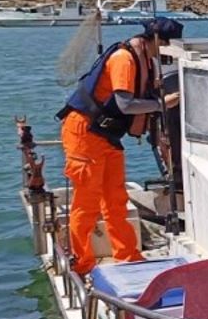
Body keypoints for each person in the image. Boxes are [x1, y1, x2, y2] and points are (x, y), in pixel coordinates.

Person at [57, 17, 183, 275]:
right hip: (84, 133)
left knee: (116, 199)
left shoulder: (145, 59)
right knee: (87, 203)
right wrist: (164, 103)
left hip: (108, 136)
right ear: (157, 41)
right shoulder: (124, 60)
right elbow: (125, 104)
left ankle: (128, 256)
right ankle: (82, 263)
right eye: (168, 47)